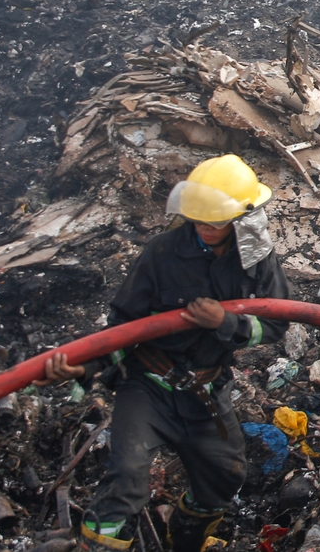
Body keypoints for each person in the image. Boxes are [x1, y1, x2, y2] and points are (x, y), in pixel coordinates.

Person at [35, 154, 290, 552]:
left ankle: (183, 540)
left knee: (225, 476)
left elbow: (276, 322)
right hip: (149, 385)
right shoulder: (162, 253)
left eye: (215, 221)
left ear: (241, 218)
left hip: (206, 390)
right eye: (198, 218)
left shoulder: (256, 259)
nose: (204, 227)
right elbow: (123, 326)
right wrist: (82, 367)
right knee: (127, 476)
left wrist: (225, 323)